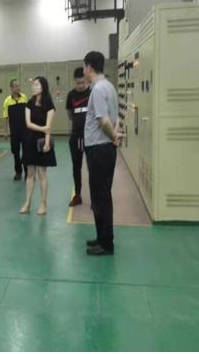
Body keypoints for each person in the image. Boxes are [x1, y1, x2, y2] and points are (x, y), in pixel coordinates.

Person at [83, 51, 124, 256]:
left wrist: (114, 136)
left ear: (89, 67)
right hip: (103, 148)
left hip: (99, 149)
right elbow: (115, 118)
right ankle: (102, 237)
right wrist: (114, 136)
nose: (84, 71)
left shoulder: (98, 89)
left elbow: (104, 121)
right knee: (101, 197)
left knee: (100, 198)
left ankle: (106, 244)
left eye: (85, 67)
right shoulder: (109, 86)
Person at [20, 77, 57, 216]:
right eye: (33, 84)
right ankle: (27, 202)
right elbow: (28, 123)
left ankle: (43, 203)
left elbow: (49, 127)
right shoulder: (29, 103)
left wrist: (47, 143)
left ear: (43, 87)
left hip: (42, 142)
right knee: (30, 173)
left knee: (42, 173)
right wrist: (42, 129)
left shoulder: (49, 105)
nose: (33, 87)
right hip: (29, 140)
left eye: (36, 84)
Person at [65, 67, 91, 207]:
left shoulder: (92, 93)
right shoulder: (71, 95)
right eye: (77, 83)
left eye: (82, 82)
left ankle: (95, 199)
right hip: (75, 137)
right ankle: (78, 195)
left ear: (86, 80)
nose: (80, 86)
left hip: (90, 137)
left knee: (92, 168)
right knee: (76, 167)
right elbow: (70, 114)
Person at [2, 79, 28, 181]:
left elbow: (28, 113)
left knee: (26, 152)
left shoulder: (24, 97)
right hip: (14, 131)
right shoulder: (7, 101)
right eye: (16, 86)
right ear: (11, 88)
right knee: (15, 152)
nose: (18, 87)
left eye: (19, 85)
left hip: (25, 130)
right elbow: (5, 117)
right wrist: (5, 131)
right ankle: (18, 172)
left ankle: (27, 172)